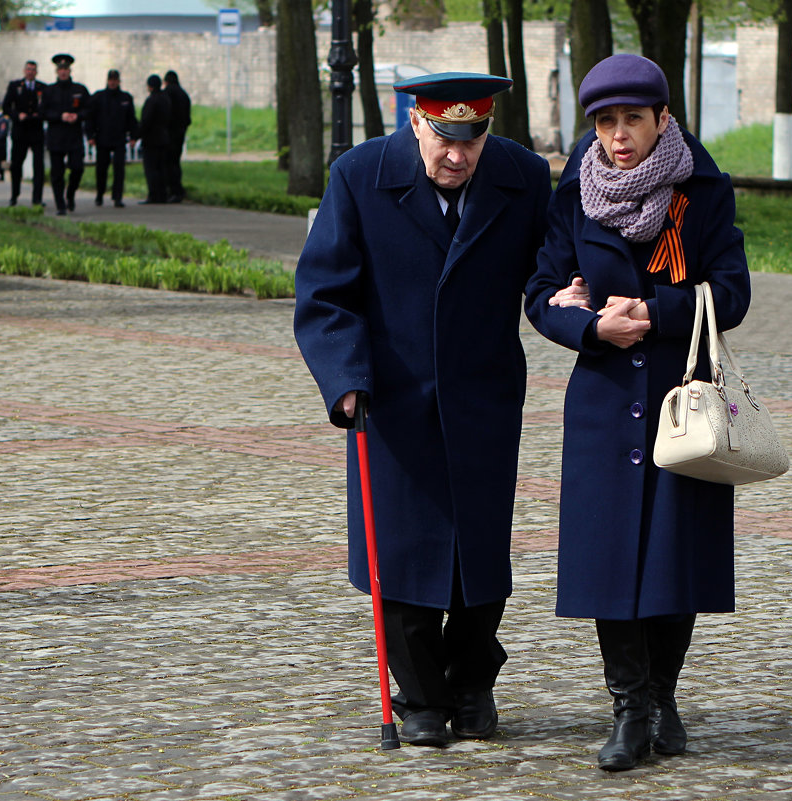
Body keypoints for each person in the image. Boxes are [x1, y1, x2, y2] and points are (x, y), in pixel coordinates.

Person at [293, 73, 551, 747]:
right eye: (445, 138)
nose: (459, 156)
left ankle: (472, 682)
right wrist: (344, 377)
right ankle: (421, 694)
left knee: (478, 551)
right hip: (392, 401)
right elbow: (326, 292)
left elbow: (547, 274)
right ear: (415, 122)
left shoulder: (522, 177)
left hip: (483, 395)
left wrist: (578, 299)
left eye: (473, 139)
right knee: (402, 554)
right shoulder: (359, 175)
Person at [523, 54, 752, 771]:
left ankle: (663, 692)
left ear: (662, 120)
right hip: (601, 404)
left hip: (679, 399)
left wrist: (653, 314)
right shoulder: (575, 192)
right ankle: (628, 708)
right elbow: (540, 292)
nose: (618, 136)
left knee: (671, 558)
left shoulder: (702, 190)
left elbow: (734, 293)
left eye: (632, 120)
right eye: (604, 122)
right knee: (609, 558)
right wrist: (589, 328)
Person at [40, 53, 90, 215]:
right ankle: (60, 204)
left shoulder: (79, 90)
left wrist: (78, 116)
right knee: (57, 173)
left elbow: (89, 109)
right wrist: (59, 116)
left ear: (70, 71)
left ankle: (71, 193)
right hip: (56, 137)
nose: (63, 72)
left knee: (77, 168)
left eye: (66, 69)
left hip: (74, 136)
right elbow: (43, 113)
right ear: (57, 71)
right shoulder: (49, 91)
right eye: (60, 69)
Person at [86, 69, 139, 208]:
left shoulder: (125, 98)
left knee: (119, 168)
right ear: (107, 81)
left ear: (119, 81)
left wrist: (133, 136)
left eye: (115, 80)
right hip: (102, 137)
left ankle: (118, 196)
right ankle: (100, 194)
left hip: (119, 138)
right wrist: (90, 135)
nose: (113, 82)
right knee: (101, 169)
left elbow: (131, 119)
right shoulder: (99, 97)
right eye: (111, 80)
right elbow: (90, 117)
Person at [2, 60, 46, 206]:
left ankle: (37, 198)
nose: (30, 72)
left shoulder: (42, 88)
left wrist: (38, 115)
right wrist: (17, 115)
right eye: (28, 69)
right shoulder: (15, 86)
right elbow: (6, 107)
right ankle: (14, 194)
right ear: (24, 71)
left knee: (38, 166)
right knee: (16, 165)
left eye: (33, 70)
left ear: (36, 72)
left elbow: (45, 108)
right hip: (20, 131)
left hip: (36, 130)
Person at [139, 74, 172, 204]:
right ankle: (162, 195)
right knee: (162, 168)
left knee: (151, 169)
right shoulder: (166, 99)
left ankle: (153, 195)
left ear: (150, 86)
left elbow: (146, 120)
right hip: (164, 138)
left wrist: (137, 134)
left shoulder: (152, 100)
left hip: (151, 139)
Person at [162, 70, 191, 202]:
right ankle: (177, 190)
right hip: (180, 132)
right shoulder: (184, 94)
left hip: (169, 133)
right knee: (175, 162)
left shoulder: (167, 93)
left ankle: (173, 190)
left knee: (169, 163)